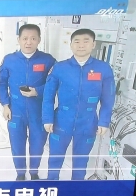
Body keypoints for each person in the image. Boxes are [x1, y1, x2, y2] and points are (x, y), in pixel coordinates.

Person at [42, 28, 115, 180]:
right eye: (77, 41)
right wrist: (47, 118)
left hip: (88, 122)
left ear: (93, 44)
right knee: (55, 157)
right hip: (61, 120)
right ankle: (51, 185)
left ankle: (77, 189)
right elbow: (48, 96)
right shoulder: (59, 68)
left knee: (81, 160)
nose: (81, 45)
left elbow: (108, 99)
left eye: (86, 41)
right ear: (71, 45)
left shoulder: (104, 69)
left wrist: (104, 121)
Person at [0, 24, 56, 180]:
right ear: (18, 40)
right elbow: (1, 84)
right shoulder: (9, 60)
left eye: (33, 38)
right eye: (25, 38)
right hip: (15, 110)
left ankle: (34, 172)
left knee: (37, 144)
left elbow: (55, 84)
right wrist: (5, 105)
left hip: (39, 111)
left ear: (39, 40)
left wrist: (38, 91)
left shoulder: (48, 60)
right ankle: (20, 174)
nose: (28, 42)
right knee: (17, 144)